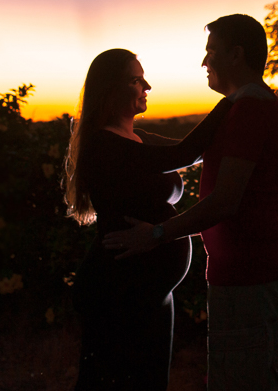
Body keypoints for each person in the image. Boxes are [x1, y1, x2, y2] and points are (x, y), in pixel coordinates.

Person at [103, 15, 278, 391]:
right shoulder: (243, 107)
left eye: (211, 52)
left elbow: (225, 202)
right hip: (242, 273)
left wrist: (156, 234)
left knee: (239, 383)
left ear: (235, 55)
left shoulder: (250, 111)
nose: (204, 62)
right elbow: (187, 152)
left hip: (249, 274)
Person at [63, 48, 234, 391]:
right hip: (118, 286)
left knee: (149, 381)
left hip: (149, 288)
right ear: (111, 89)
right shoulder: (104, 143)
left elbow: (195, 151)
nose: (147, 86)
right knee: (112, 383)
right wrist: (235, 98)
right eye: (136, 79)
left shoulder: (135, 138)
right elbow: (184, 154)